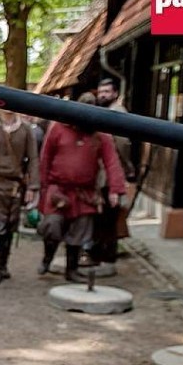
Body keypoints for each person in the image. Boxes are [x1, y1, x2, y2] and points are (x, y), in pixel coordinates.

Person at [36, 92, 126, 282]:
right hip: (58, 188)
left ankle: (72, 270)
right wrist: (41, 188)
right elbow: (45, 159)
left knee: (80, 231)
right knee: (52, 225)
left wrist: (115, 189)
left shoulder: (100, 134)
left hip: (85, 192)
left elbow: (111, 161)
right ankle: (47, 257)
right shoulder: (58, 128)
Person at [0, 108, 39, 285]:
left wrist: (32, 187)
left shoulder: (26, 130)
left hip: (16, 185)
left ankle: (3, 265)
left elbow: (33, 158)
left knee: (11, 225)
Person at [87, 78, 136, 266]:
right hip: (104, 172)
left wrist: (122, 171)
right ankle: (101, 252)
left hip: (111, 173)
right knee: (102, 216)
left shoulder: (117, 114)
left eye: (106, 91)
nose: (103, 95)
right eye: (100, 92)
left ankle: (106, 255)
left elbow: (122, 145)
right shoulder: (104, 112)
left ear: (115, 93)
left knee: (108, 216)